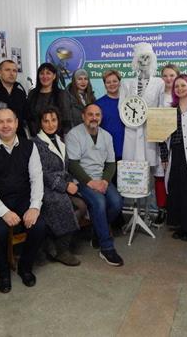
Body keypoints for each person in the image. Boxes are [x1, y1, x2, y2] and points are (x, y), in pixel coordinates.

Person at [0, 108, 46, 293]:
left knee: (39, 226)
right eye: (0, 122)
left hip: (23, 199)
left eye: (9, 121)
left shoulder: (30, 147)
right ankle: (3, 272)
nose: (5, 125)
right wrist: (4, 212)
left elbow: (37, 178)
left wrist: (34, 207)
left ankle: (25, 267)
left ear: (16, 123)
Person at [66, 104, 124, 266]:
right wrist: (90, 182)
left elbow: (111, 163)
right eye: (90, 114)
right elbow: (73, 164)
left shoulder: (106, 136)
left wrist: (104, 181)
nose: (94, 118)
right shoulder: (74, 135)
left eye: (97, 115)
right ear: (83, 116)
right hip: (82, 180)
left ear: (101, 117)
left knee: (117, 202)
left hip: (101, 179)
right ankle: (106, 247)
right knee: (99, 202)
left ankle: (97, 233)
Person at [32, 107, 85, 266]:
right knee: (63, 204)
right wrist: (65, 186)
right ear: (40, 123)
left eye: (53, 120)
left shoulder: (60, 139)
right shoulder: (36, 143)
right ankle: (60, 251)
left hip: (63, 184)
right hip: (45, 187)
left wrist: (71, 183)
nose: (50, 124)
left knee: (82, 205)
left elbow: (64, 167)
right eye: (46, 121)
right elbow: (43, 172)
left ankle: (56, 242)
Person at [159, 75, 187, 241]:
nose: (179, 89)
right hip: (175, 154)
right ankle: (180, 225)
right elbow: (162, 137)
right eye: (176, 86)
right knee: (175, 190)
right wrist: (164, 157)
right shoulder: (170, 109)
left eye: (183, 85)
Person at [153, 64, 180, 225]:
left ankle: (175, 209)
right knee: (160, 175)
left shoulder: (182, 94)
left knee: (176, 176)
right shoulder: (158, 96)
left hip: (177, 142)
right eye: (165, 75)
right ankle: (162, 209)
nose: (168, 79)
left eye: (172, 75)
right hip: (159, 141)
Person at [26, 63, 71, 137]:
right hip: (36, 136)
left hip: (57, 137)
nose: (45, 76)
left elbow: (66, 120)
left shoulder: (62, 94)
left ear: (54, 76)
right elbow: (28, 117)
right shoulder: (32, 93)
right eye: (42, 73)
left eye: (48, 73)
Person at [95, 70, 125, 164]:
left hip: (127, 150)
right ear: (104, 84)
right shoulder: (98, 104)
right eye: (108, 82)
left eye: (115, 81)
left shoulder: (128, 102)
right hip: (107, 152)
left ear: (120, 82)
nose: (112, 84)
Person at [0, 59, 28, 137]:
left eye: (14, 71)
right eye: (7, 70)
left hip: (20, 136)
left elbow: (26, 116)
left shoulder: (20, 93)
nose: (11, 73)